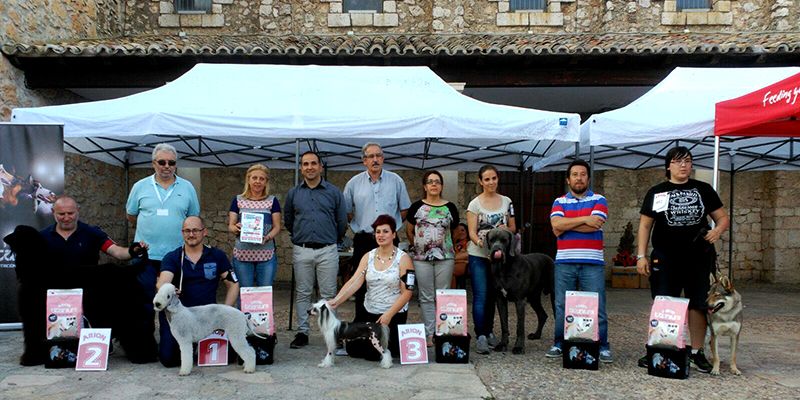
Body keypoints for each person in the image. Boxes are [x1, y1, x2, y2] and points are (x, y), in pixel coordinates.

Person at [636, 146, 729, 373]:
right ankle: (662, 349)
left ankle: (696, 352)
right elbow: (645, 224)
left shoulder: (704, 189)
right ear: (668, 166)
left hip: (698, 257)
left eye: (687, 161)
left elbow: (722, 218)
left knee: (698, 304)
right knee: (665, 304)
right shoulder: (657, 192)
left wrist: (717, 231)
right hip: (665, 257)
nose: (684, 165)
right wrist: (641, 255)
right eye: (678, 161)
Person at [546, 160, 612, 363]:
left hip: (592, 263)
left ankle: (602, 345)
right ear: (568, 179)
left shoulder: (600, 199)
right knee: (561, 306)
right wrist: (584, 219)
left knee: (597, 305)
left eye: (583, 174)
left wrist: (567, 224)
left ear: (588, 178)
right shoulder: (559, 201)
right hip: (564, 262)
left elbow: (595, 225)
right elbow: (556, 226)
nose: (579, 178)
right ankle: (560, 343)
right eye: (575, 174)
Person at [155, 216, 240, 367]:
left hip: (207, 318)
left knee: (230, 357)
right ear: (182, 233)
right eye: (187, 231)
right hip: (180, 317)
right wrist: (169, 288)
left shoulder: (217, 256)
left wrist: (225, 311)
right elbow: (162, 282)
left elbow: (233, 284)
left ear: (204, 232)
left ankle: (196, 345)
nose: (191, 234)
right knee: (169, 360)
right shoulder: (172, 257)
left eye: (195, 230)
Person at [284, 151, 348, 349]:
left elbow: (341, 221)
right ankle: (302, 332)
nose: (309, 167)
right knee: (303, 292)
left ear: (320, 167)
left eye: (313, 163)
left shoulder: (333, 192)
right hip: (302, 249)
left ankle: (332, 334)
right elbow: (288, 220)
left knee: (329, 294)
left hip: (328, 249)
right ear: (301, 168)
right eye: (305, 164)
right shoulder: (294, 193)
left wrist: (332, 239)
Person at [327, 215, 414, 359]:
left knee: (373, 353)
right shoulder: (368, 256)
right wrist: (336, 301)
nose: (381, 235)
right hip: (369, 311)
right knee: (353, 348)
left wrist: (389, 314)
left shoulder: (404, 259)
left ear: (394, 234)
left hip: (392, 314)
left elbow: (407, 293)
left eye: (385, 231)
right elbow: (355, 281)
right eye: (378, 231)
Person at [343, 142, 411, 322]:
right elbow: (348, 212)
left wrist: (391, 229)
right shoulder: (353, 184)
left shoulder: (396, 181)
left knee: (394, 284)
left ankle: (390, 322)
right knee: (361, 284)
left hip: (389, 241)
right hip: (363, 240)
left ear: (383, 158)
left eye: (378, 156)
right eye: (371, 157)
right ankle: (361, 325)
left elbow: (404, 210)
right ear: (364, 161)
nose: (375, 160)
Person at [126, 143, 200, 298]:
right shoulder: (139, 186)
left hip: (176, 255)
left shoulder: (187, 187)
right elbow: (131, 215)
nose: (167, 166)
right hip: (145, 254)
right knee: (142, 298)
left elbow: (193, 219)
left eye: (171, 162)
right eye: (162, 162)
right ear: (154, 163)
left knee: (174, 300)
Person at [405, 170, 460, 347]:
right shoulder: (416, 207)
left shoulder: (450, 207)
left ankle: (444, 332)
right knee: (426, 297)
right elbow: (409, 230)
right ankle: (430, 333)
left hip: (445, 257)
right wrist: (418, 246)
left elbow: (455, 230)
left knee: (443, 296)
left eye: (437, 181)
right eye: (430, 182)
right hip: (421, 258)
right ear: (425, 186)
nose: (434, 184)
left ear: (441, 185)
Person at [466, 164, 516, 354]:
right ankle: (480, 334)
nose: (491, 182)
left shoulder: (507, 201)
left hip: (499, 258)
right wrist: (482, 244)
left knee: (494, 296)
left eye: (493, 178)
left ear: (498, 179)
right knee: (481, 295)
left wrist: (506, 230)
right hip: (479, 255)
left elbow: (513, 228)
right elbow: (471, 232)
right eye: (487, 179)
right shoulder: (474, 204)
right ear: (481, 181)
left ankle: (489, 332)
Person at [42, 196, 147, 266]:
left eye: (70, 213)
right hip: (53, 292)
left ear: (77, 211)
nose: (66, 218)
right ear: (53, 212)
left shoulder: (92, 233)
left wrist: (134, 250)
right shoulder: (42, 237)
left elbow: (117, 252)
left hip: (87, 290)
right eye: (61, 214)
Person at [227, 164, 282, 287]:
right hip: (242, 255)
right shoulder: (237, 200)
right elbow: (231, 225)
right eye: (254, 178)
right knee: (244, 293)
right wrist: (236, 228)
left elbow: (277, 227)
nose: (258, 181)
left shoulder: (273, 201)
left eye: (262, 179)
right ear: (248, 179)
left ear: (266, 182)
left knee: (265, 295)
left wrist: (267, 237)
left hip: (266, 255)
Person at [451, 222, 469, 289]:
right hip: (458, 263)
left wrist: (454, 259)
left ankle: (452, 295)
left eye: (462, 230)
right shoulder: (454, 244)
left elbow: (467, 255)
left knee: (450, 271)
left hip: (467, 267)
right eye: (457, 230)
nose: (460, 232)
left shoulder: (469, 242)